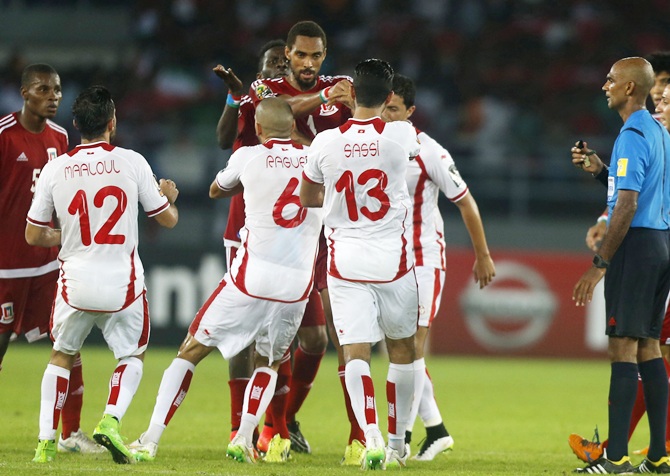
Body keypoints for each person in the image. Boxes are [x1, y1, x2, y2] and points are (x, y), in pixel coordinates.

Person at [128, 97, 323, 465]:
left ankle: (150, 438)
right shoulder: (317, 161)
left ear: (260, 129)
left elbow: (218, 189)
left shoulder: (248, 156)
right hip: (296, 286)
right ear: (293, 128)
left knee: (191, 350)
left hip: (252, 278)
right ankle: (244, 438)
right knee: (269, 362)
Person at [27, 85, 179, 464]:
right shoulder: (131, 162)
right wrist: (169, 199)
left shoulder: (55, 168)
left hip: (74, 284)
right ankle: (110, 419)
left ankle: (46, 440)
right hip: (121, 285)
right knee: (132, 355)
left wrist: (71, 233)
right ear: (113, 122)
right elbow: (167, 220)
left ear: (76, 123)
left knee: (62, 355)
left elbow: (33, 234)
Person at [300, 58, 420, 470]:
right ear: (389, 97)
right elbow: (409, 157)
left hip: (346, 261)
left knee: (354, 352)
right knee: (404, 349)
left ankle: (366, 436)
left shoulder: (324, 143)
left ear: (351, 94)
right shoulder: (401, 134)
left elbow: (308, 197)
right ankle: (396, 442)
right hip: (393, 262)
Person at [249, 20, 357, 459]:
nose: (308, 63)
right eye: (300, 55)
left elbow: (354, 138)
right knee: (273, 339)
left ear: (324, 54)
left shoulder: (343, 89)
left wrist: (324, 110)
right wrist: (321, 104)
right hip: (276, 233)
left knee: (316, 340)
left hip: (325, 230)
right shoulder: (263, 88)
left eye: (316, 56)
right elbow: (275, 117)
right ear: (287, 54)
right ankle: (267, 430)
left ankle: (286, 419)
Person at [215, 38, 327, 457]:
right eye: (271, 64)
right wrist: (234, 96)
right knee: (247, 335)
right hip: (246, 232)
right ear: (261, 69)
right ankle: (244, 429)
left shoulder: (305, 106)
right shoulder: (251, 104)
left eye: (283, 64)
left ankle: (279, 422)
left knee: (309, 337)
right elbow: (224, 137)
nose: (276, 70)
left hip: (299, 238)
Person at [382, 73, 496, 460]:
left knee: (411, 347)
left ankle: (402, 439)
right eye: (382, 105)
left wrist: (482, 256)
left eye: (393, 108)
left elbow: (466, 202)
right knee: (397, 350)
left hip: (422, 259)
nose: (386, 113)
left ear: (411, 111)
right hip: (386, 261)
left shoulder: (427, 150)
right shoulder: (370, 145)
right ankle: (437, 431)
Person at [569, 52, 670, 463]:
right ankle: (660, 456)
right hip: (662, 243)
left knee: (623, 348)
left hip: (637, 245)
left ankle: (615, 460)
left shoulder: (631, 133)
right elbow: (644, 190)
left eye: (611, 79)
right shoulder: (661, 134)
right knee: (649, 347)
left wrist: (599, 266)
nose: (605, 85)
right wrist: (601, 171)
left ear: (630, 87)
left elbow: (627, 205)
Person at [0, 63, 104, 454]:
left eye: (57, 90)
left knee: (68, 341)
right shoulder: (4, 136)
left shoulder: (61, 138)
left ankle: (71, 434)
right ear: (24, 93)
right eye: (44, 90)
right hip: (5, 265)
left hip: (47, 265)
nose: (53, 97)